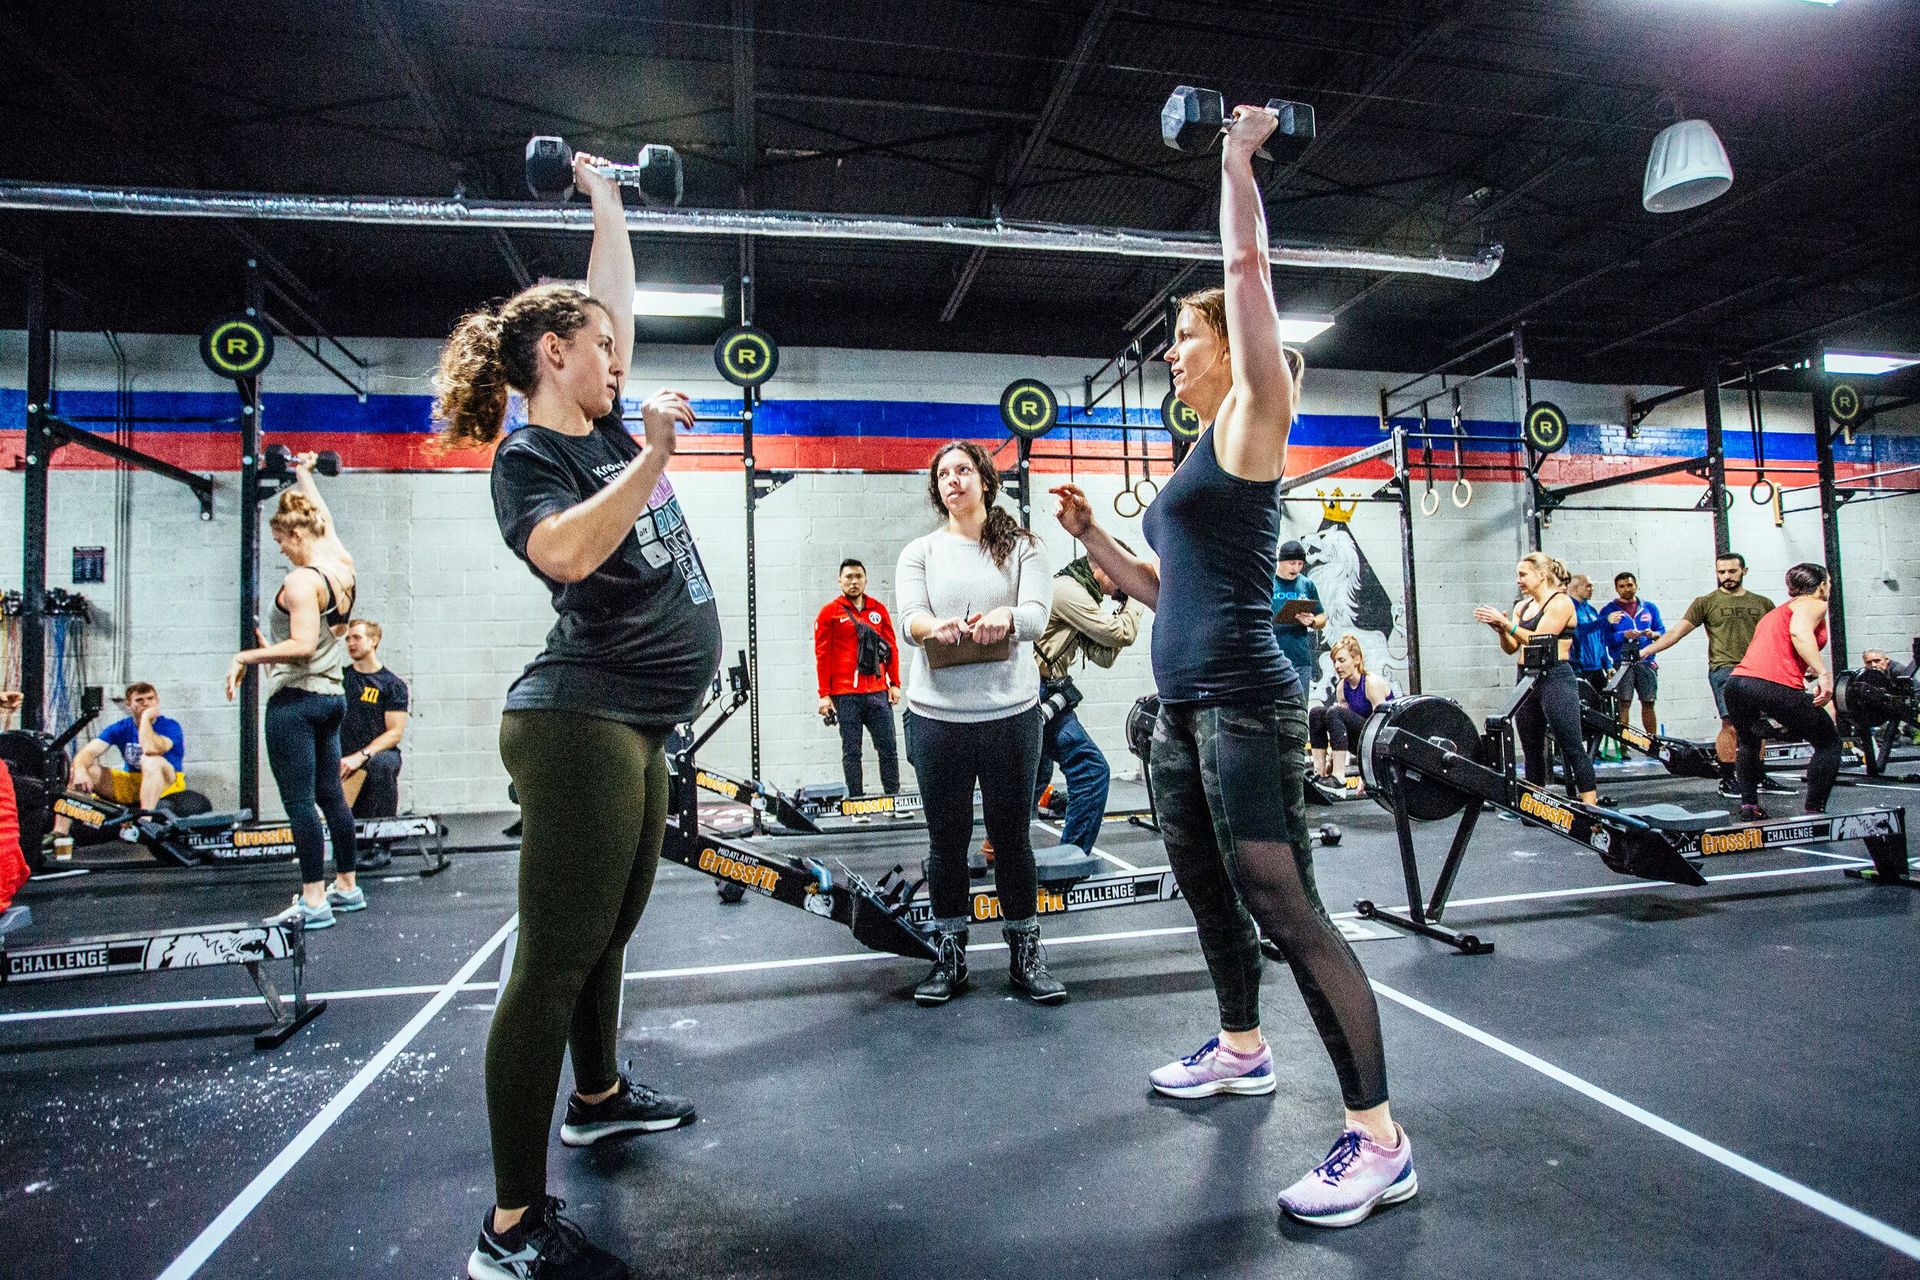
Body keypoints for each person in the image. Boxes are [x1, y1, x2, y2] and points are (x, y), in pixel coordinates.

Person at [1052, 101, 1411, 1230]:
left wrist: (1234, 158)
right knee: (1209, 890)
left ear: (1229, 345)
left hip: (1249, 703)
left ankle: (1381, 1137)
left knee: (1285, 903)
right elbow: (1166, 589)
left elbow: (1247, 264)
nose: (1172, 351)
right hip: (1181, 707)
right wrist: (1095, 540)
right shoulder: (1193, 456)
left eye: (1185, 336)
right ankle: (1243, 1047)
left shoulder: (1258, 413)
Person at [434, 150, 709, 1280]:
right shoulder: (536, 453)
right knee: (551, 959)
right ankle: (508, 1227)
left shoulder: (594, 420)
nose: (618, 356)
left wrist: (606, 198)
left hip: (635, 722)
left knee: (610, 928)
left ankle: (596, 1097)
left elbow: (610, 297)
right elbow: (563, 549)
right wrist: (647, 458)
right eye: (599, 348)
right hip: (577, 719)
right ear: (557, 356)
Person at [896, 440, 1060, 1006]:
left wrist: (1005, 617)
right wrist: (929, 630)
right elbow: (908, 618)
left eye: (964, 470)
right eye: (943, 474)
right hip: (937, 719)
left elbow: (1038, 616)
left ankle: (1026, 955)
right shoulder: (920, 551)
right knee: (946, 844)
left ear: (986, 481)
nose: (953, 480)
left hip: (1010, 719)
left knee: (1013, 841)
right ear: (936, 488)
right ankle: (950, 956)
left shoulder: (1024, 548)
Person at [226, 454, 361, 930]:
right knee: (332, 797)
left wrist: (246, 657)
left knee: (301, 802)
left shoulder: (302, 580)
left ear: (297, 534)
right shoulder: (340, 564)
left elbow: (302, 646)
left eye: (281, 539)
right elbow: (323, 518)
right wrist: (304, 472)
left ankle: (313, 899)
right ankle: (347, 885)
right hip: (331, 698)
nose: (281, 549)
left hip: (297, 704)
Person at [1032, 549, 1141, 872]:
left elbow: (1104, 656)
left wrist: (1124, 608)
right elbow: (1121, 633)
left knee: (1035, 776)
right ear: (1102, 567)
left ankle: (1001, 846)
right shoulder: (1068, 591)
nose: (1123, 583)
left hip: (1044, 692)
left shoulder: (1081, 597)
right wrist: (1136, 598)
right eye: (1121, 574)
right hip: (1037, 691)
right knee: (1091, 769)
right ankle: (1072, 855)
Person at [1635, 552, 1778, 799]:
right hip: (1724, 669)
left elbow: (1778, 639)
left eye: (1732, 571)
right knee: (1730, 724)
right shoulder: (1706, 602)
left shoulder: (1763, 603)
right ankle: (1729, 779)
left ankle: (1758, 775)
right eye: (1721, 572)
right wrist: (1647, 650)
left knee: (1759, 725)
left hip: (1759, 669)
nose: (1726, 576)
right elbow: (1678, 632)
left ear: (1744, 571)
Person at [1475, 553, 1600, 806]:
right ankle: (1536, 805)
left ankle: (1592, 808)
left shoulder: (1561, 603)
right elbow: (1512, 648)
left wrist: (1506, 624)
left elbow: (1539, 640)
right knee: (1531, 749)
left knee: (1571, 745)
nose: (1518, 580)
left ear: (1541, 575)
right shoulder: (1522, 606)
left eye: (1523, 574)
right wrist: (1500, 629)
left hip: (1555, 677)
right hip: (1526, 679)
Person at [1723, 563, 1839, 820]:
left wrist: (1806, 667)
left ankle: (1749, 806)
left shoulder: (1776, 612)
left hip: (1738, 684)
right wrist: (1823, 673)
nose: (1829, 586)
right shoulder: (1814, 603)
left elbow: (1776, 648)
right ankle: (1814, 811)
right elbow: (1799, 633)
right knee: (1829, 742)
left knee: (1749, 741)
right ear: (1820, 585)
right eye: (1828, 582)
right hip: (1770, 684)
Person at [812, 558, 902, 798]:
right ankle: (857, 802)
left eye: (858, 576)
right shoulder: (829, 613)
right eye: (848, 577)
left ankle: (892, 798)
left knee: (888, 748)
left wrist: (894, 683)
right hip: (846, 696)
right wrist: (824, 695)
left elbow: (891, 648)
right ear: (839, 580)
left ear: (865, 579)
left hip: (877, 692)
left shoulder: (878, 610)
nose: (853, 581)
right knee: (852, 751)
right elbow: (822, 655)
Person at [54, 682, 188, 841]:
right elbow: (88, 752)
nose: (145, 703)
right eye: (139, 700)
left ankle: (144, 824)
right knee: (80, 769)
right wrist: (81, 770)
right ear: (129, 705)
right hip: (133, 782)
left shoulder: (170, 726)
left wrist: (145, 718)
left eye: (150, 699)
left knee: (150, 760)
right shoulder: (120, 727)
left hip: (167, 782)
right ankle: (59, 833)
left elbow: (150, 749)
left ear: (157, 702)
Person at [341, 620, 409, 824]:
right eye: (347, 639)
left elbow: (395, 733)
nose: (351, 643)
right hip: (345, 761)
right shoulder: (339, 678)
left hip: (374, 756)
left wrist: (360, 756)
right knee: (352, 825)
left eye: (357, 637)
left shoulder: (392, 684)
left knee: (381, 764)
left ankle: (382, 844)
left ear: (374, 640)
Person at [1310, 635, 1392, 792]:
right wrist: (1330, 762)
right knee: (1317, 713)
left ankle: (1339, 779)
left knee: (1334, 712)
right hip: (1360, 740)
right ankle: (1320, 774)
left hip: (1382, 743)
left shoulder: (1371, 683)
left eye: (1341, 660)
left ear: (1357, 660)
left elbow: (1381, 731)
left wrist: (1369, 773)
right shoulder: (1342, 687)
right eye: (1334, 661)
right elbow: (1339, 730)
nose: (1337, 666)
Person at [1604, 571, 1664, 737]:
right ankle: (1624, 744)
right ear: (1616, 589)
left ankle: (1653, 741)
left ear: (1636, 585)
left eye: (1629, 585)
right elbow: (1603, 638)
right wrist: (1623, 635)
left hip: (1645, 661)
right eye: (1622, 586)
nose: (1626, 589)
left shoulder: (1649, 607)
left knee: (1649, 701)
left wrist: (1652, 634)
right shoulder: (1609, 610)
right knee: (1624, 703)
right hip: (1622, 663)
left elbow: (1662, 631)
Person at [1271, 538, 1328, 686]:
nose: (1296, 568)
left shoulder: (1307, 584)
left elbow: (1322, 617)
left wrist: (1313, 621)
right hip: (1272, 657)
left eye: (1300, 564)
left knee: (1300, 706)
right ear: (1281, 561)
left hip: (1300, 658)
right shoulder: (1269, 583)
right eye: (1292, 563)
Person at [1566, 575, 1613, 701]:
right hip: (1581, 669)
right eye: (1588, 586)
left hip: (1597, 668)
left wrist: (1607, 665)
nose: (1591, 589)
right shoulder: (1569, 609)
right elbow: (1578, 630)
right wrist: (1604, 620)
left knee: (1604, 708)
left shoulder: (1591, 610)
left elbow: (1600, 640)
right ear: (1576, 588)